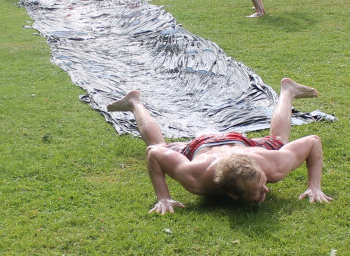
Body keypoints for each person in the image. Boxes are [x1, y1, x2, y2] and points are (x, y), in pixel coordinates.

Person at [107, 77, 331, 214]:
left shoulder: (273, 166)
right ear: (233, 196)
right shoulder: (196, 179)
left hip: (242, 143)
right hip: (202, 147)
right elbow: (153, 153)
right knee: (159, 144)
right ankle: (134, 102)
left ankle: (288, 90)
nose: (266, 189)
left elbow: (313, 141)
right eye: (257, 191)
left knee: (280, 142)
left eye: (262, 182)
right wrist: (163, 197)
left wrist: (315, 186)